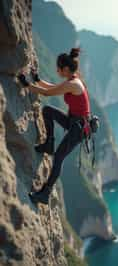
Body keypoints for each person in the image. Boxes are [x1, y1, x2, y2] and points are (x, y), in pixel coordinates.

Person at [17, 47, 91, 205]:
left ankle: (45, 193)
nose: (56, 70)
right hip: (73, 122)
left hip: (78, 129)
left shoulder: (75, 84)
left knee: (58, 157)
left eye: (58, 68)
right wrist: (37, 80)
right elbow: (52, 88)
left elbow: (47, 93)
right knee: (48, 110)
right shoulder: (72, 80)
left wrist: (27, 85)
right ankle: (49, 143)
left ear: (65, 69)